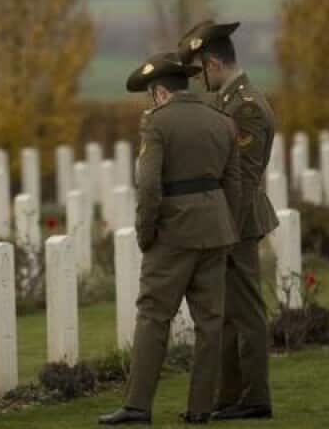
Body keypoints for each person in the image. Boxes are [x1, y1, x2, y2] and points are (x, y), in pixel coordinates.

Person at [99, 52, 241, 426]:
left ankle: (137, 406)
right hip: (216, 231)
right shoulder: (222, 121)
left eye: (151, 94)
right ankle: (199, 410)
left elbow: (148, 187)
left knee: (153, 317)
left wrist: (147, 235)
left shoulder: (157, 123)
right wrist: (229, 228)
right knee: (210, 323)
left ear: (161, 92)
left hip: (173, 234)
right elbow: (234, 183)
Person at [178, 20, 277, 421]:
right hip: (228, 221)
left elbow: (243, 178)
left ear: (215, 63)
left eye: (201, 70)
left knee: (248, 312)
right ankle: (230, 396)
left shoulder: (247, 107)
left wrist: (224, 231)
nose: (201, 80)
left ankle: (255, 398)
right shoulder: (227, 103)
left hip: (239, 222)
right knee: (230, 312)